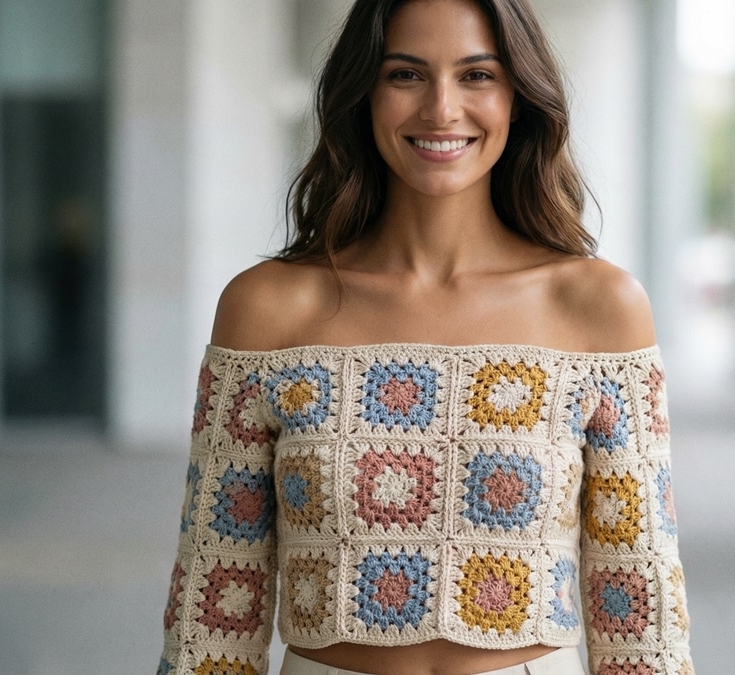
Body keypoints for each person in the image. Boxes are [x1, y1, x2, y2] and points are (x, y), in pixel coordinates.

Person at [158, 0, 692, 673]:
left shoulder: (598, 308)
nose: (441, 109)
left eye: (476, 76)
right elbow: (213, 610)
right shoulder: (266, 310)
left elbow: (640, 608)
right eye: (406, 75)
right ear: (364, 95)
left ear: (518, 98)